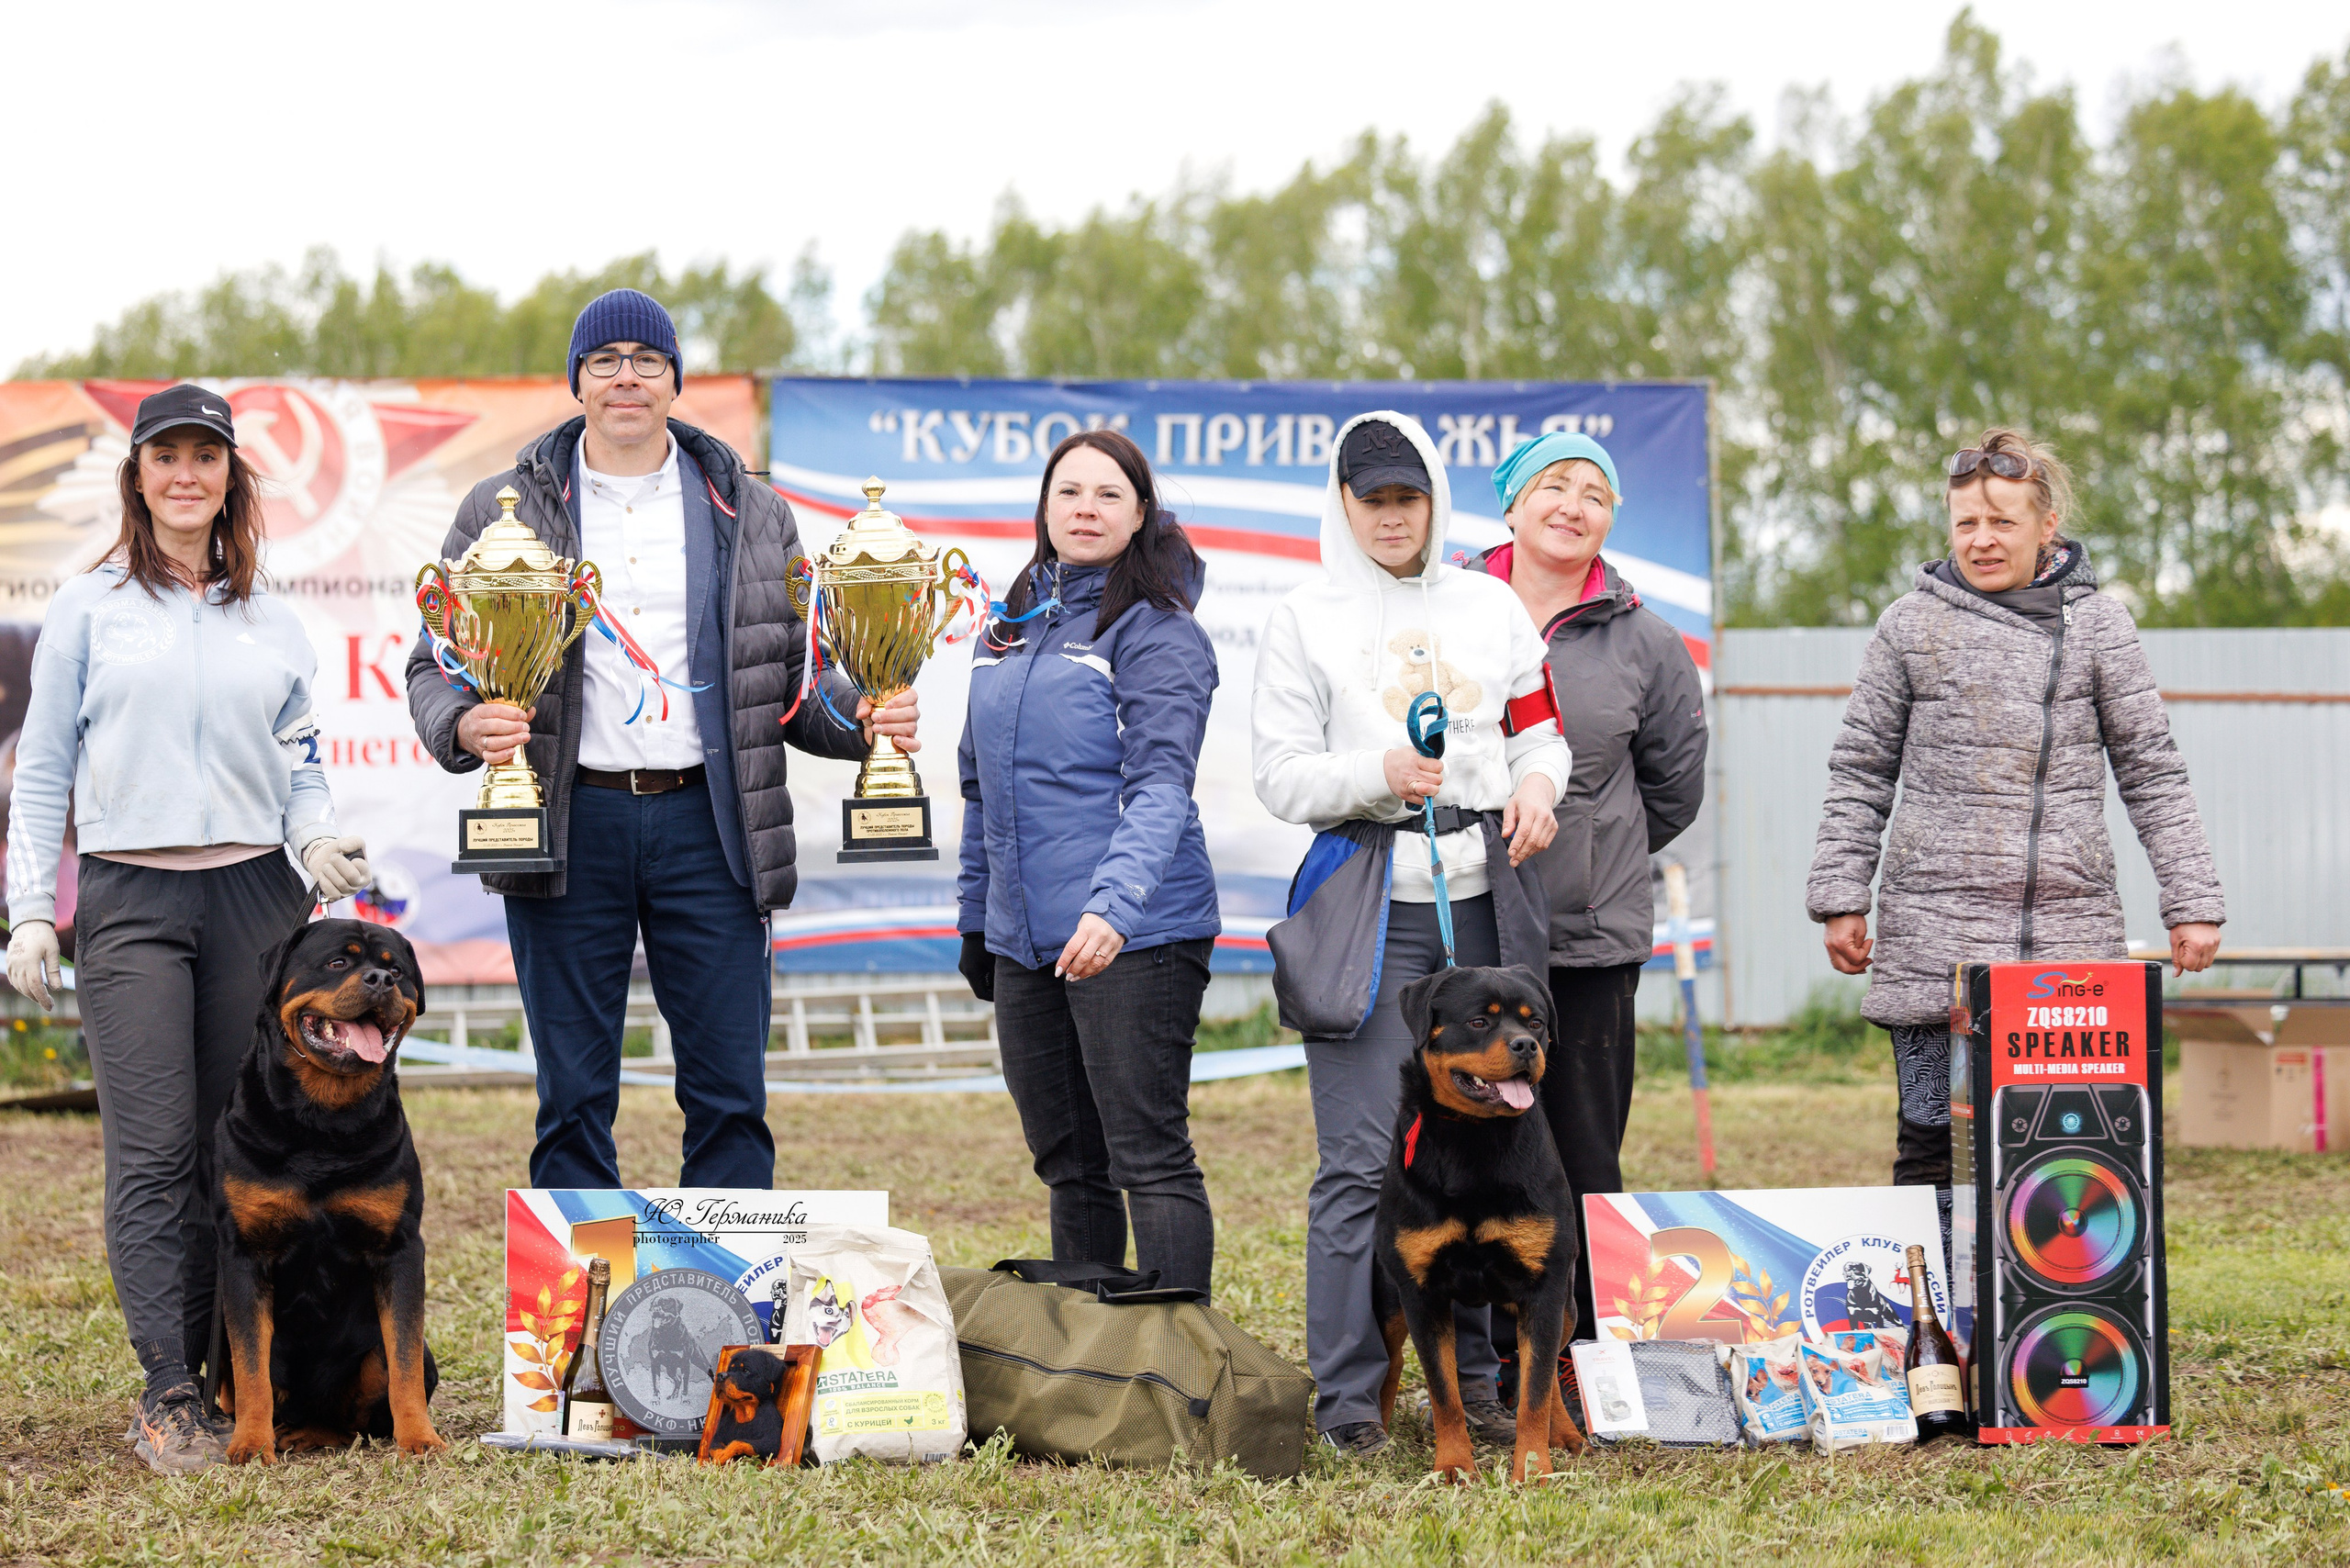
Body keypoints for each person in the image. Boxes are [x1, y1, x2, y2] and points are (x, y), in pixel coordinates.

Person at [405, 289, 916, 1190]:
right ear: (577, 382)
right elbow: (434, 663)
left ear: (677, 381)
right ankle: (576, 1323)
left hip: (711, 830)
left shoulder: (753, 513)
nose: (627, 377)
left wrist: (863, 715)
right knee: (572, 1094)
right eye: (605, 360)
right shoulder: (500, 508)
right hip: (570, 827)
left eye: (648, 359)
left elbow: (794, 688)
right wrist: (463, 721)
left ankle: (728, 1317)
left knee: (728, 1094)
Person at [3, 386, 371, 1474]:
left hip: (259, 900)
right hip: (131, 904)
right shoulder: (85, 608)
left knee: (233, 1146)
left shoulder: (273, 619)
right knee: (155, 1149)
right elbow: (44, 776)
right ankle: (167, 1392)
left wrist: (320, 846)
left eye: (204, 457)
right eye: (164, 456)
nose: (184, 475)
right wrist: (31, 909)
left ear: (229, 477)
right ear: (138, 474)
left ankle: (223, 1380)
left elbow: (299, 765)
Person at [1807, 426, 2224, 1235]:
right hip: (1933, 944)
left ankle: (2041, 1330)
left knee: (2068, 1151)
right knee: (1930, 1148)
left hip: (2065, 951)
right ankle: (1939, 1341)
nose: (1982, 539)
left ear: (2047, 524)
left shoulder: (2102, 626)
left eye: (2002, 520)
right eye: (1966, 522)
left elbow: (2152, 771)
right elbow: (1860, 771)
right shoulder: (1906, 625)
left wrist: (2192, 899)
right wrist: (1838, 896)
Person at [1253, 411, 1571, 1459]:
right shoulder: (1301, 615)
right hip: (1364, 901)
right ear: (1342, 504)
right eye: (1371, 498)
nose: (1391, 516)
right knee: (1357, 1163)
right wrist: (1375, 774)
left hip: (1486, 901)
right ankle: (1349, 1402)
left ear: (1434, 498)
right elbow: (1281, 773)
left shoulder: (1489, 604)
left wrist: (1534, 785)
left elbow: (1542, 729)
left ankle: (1481, 1389)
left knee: (1497, 1145)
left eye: (1408, 496)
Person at [955, 430, 1222, 1297]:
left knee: (1146, 1151)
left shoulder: (1159, 630)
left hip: (1136, 931)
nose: (1085, 509)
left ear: (1141, 513)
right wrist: (975, 917)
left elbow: (1161, 790)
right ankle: (1095, 1363)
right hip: (1025, 940)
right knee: (1070, 1163)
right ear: (1044, 507)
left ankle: (1181, 1369)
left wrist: (1111, 910)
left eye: (1109, 494)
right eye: (1068, 492)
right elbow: (980, 787)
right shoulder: (1013, 622)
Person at [1471, 431, 1707, 1378]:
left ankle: (1584, 1363)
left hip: (1589, 939)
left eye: (1595, 493)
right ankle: (1483, 1362)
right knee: (1465, 1150)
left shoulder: (1645, 638)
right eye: (1553, 485)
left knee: (1579, 1150)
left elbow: (1675, 788)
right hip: (1464, 921)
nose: (1573, 504)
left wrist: (1592, 849)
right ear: (1512, 504)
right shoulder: (1451, 611)